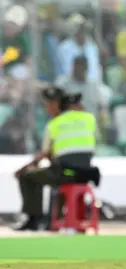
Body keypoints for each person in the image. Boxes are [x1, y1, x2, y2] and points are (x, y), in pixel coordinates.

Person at [13, 88, 97, 231]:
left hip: (64, 173)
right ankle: (53, 219)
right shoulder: (88, 119)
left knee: (29, 176)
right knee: (58, 175)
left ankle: (35, 220)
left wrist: (26, 167)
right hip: (86, 172)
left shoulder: (55, 124)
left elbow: (45, 153)